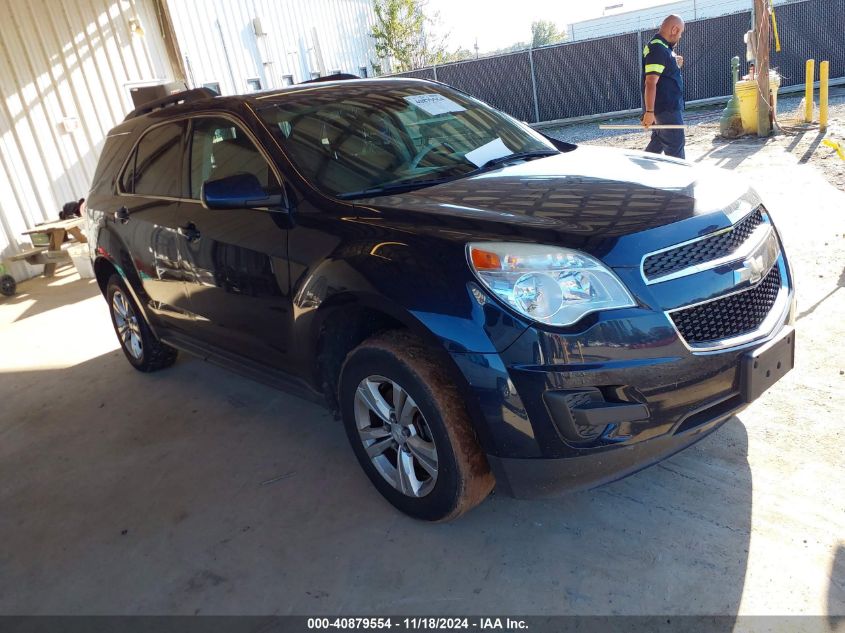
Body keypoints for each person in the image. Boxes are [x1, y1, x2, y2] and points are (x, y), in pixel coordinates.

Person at [641, 15, 686, 158]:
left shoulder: (662, 47)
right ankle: (681, 178)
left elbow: (663, 75)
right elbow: (650, 82)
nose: (680, 37)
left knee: (657, 145)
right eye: (680, 33)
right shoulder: (658, 48)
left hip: (663, 109)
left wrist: (675, 64)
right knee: (675, 149)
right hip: (667, 109)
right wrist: (649, 112)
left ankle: (638, 174)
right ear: (674, 29)